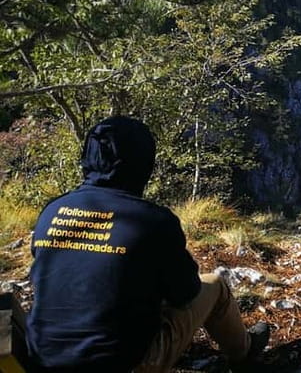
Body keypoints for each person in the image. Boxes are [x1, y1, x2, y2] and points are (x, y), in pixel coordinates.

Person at [26, 115, 269, 373]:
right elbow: (186, 293)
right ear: (144, 164)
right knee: (215, 286)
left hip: (42, 361)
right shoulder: (153, 221)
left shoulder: (52, 211)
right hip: (121, 365)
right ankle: (244, 353)